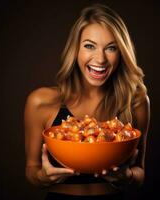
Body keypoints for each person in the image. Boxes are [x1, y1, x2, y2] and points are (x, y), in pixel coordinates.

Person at [24, 3, 150, 200]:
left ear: (122, 53)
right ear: (75, 50)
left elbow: (140, 173)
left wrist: (127, 176)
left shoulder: (136, 102)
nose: (100, 59)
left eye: (111, 48)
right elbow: (31, 170)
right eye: (89, 46)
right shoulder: (40, 102)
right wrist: (43, 177)